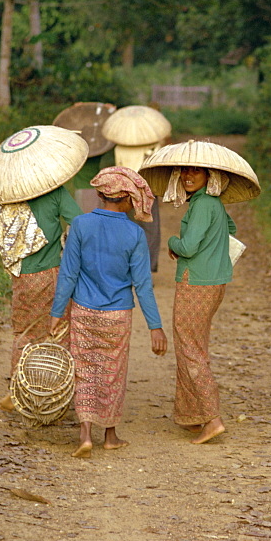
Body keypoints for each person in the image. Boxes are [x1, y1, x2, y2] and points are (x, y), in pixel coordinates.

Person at [49, 167, 168, 458]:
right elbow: (142, 285)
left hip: (83, 311)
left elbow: (68, 273)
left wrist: (56, 311)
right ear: (126, 199)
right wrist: (155, 326)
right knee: (112, 373)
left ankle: (85, 433)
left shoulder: (80, 225)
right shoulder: (135, 234)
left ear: (101, 195)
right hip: (117, 315)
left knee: (85, 370)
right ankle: (110, 435)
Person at [0, 185, 81, 411]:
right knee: (58, 331)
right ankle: (53, 395)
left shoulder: (10, 194)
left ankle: (17, 388)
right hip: (50, 273)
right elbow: (79, 222)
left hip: (21, 275)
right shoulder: (55, 193)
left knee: (24, 331)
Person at [165, 165, 236, 444]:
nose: (187, 176)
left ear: (211, 176)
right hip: (214, 281)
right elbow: (232, 228)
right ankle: (192, 415)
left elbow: (189, 247)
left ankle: (212, 418)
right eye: (184, 172)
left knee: (189, 348)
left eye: (196, 172)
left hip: (196, 282)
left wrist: (173, 241)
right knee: (194, 344)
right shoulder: (212, 203)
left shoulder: (203, 204)